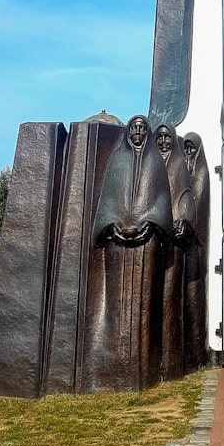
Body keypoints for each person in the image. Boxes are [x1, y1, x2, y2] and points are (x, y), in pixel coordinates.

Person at [83, 115, 172, 390]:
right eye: (133, 128)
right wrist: (113, 225)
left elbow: (161, 199)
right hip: (117, 244)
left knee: (144, 303)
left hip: (146, 243)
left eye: (141, 128)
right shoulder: (117, 162)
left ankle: (141, 367)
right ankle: (114, 364)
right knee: (116, 304)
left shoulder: (156, 163)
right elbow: (108, 200)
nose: (137, 132)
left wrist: (150, 223)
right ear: (127, 133)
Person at [156, 123, 196, 379]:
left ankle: (171, 360)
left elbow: (185, 196)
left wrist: (184, 221)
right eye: (159, 137)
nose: (163, 141)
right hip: (153, 235)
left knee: (171, 295)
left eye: (167, 137)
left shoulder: (179, 165)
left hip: (175, 235)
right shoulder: (148, 161)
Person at [181, 131, 210, 371]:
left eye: (192, 148)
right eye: (186, 148)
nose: (189, 152)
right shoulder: (181, 167)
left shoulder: (200, 171)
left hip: (194, 234)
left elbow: (199, 199)